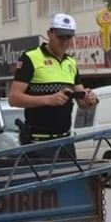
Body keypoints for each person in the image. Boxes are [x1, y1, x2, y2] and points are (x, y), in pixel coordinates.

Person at [8, 13, 99, 144]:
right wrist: (49, 99)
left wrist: (90, 99)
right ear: (49, 34)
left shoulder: (71, 62)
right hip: (38, 141)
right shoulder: (30, 58)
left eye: (68, 37)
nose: (64, 42)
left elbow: (82, 102)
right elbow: (13, 98)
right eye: (60, 36)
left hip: (65, 140)